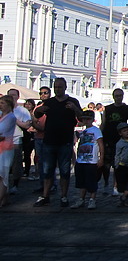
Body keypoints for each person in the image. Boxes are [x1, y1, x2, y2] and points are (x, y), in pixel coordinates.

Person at [34, 78, 83, 208]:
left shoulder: (72, 101)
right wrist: (39, 110)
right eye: (55, 87)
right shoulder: (49, 102)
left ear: (65, 87)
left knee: (64, 171)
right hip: (49, 140)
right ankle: (45, 196)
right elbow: (37, 114)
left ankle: (64, 196)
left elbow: (81, 117)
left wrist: (74, 109)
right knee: (47, 170)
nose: (57, 89)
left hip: (65, 141)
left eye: (60, 87)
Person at [100, 88, 128, 196]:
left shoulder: (127, 108)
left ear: (123, 96)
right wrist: (99, 136)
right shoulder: (108, 108)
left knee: (118, 165)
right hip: (108, 138)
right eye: (116, 95)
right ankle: (106, 183)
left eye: (120, 95)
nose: (118, 97)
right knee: (106, 165)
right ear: (113, 96)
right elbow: (103, 123)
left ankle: (115, 186)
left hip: (120, 140)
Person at [71, 110, 104, 209]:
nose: (86, 120)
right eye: (84, 119)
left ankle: (92, 199)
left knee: (92, 181)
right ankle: (81, 199)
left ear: (92, 119)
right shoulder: (83, 131)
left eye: (88, 119)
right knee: (81, 182)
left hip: (91, 161)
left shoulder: (96, 130)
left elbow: (101, 144)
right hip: (81, 160)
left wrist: (101, 158)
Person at [6, 88, 32, 196]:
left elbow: (27, 125)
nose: (12, 97)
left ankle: (15, 185)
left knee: (16, 164)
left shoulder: (22, 111)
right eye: (10, 95)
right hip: (3, 141)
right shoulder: (2, 109)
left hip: (16, 139)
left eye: (14, 95)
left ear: (18, 97)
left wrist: (15, 119)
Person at [0, 95, 18, 207]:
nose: (0, 105)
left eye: (2, 103)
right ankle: (4, 199)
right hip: (1, 148)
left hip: (5, 149)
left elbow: (2, 135)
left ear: (8, 105)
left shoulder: (11, 117)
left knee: (2, 175)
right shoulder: (2, 116)